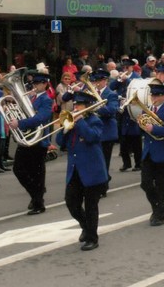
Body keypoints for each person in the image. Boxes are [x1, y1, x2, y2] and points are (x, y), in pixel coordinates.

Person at [55, 91, 108, 251]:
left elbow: (92, 137)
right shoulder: (71, 121)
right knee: (71, 202)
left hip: (92, 170)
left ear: (87, 107)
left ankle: (92, 238)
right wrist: (65, 128)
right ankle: (86, 226)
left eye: (79, 105)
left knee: (91, 205)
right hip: (75, 169)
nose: (75, 107)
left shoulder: (94, 121)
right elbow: (59, 142)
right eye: (75, 105)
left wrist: (79, 121)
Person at [9, 71, 53, 215]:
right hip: (26, 139)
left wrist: (19, 123)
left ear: (45, 84)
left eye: (38, 83)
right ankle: (36, 196)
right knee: (18, 169)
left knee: (37, 173)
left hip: (38, 140)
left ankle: (38, 202)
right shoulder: (30, 98)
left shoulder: (46, 99)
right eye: (33, 83)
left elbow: (41, 118)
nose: (34, 86)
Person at [138, 80, 164, 225]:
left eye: (156, 96)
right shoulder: (147, 110)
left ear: (163, 97)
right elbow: (143, 129)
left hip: (162, 153)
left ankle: (160, 215)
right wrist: (141, 126)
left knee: (162, 186)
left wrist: (153, 129)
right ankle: (157, 206)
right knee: (145, 183)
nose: (153, 99)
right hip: (148, 152)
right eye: (152, 96)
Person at [87, 69, 119, 197]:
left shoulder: (111, 94)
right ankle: (100, 181)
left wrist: (97, 106)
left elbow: (111, 111)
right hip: (94, 130)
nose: (96, 83)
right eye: (95, 81)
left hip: (107, 132)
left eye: (99, 80)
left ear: (105, 81)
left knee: (104, 161)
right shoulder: (90, 93)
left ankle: (103, 188)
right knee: (94, 160)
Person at [111, 59, 142, 172]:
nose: (124, 69)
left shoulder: (137, 77)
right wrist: (118, 80)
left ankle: (138, 163)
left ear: (131, 68)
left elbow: (139, 87)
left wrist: (127, 79)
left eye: (126, 68)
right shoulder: (121, 78)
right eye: (123, 68)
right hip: (122, 110)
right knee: (123, 139)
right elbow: (111, 87)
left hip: (133, 110)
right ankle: (126, 163)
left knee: (135, 139)